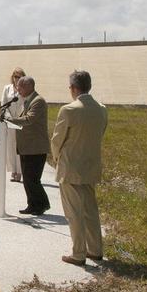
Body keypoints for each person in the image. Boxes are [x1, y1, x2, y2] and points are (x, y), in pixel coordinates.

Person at [50, 70, 109, 266]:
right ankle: (95, 249)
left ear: (74, 88)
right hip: (91, 165)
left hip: (70, 167)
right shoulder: (102, 109)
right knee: (90, 210)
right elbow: (101, 133)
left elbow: (57, 140)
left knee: (74, 212)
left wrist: (57, 159)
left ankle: (78, 253)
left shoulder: (69, 110)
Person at [8, 75, 51, 216]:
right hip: (27, 147)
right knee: (27, 178)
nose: (17, 89)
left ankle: (42, 204)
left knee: (33, 179)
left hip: (36, 147)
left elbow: (29, 119)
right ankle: (32, 205)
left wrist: (11, 120)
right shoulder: (27, 100)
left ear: (28, 87)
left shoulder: (38, 101)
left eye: (19, 87)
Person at [0, 67, 25, 182]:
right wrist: (9, 117)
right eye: (15, 76)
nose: (17, 79)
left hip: (20, 121)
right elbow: (3, 103)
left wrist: (19, 118)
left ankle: (19, 172)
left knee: (19, 147)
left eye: (19, 77)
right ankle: (13, 171)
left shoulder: (25, 90)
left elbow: (26, 105)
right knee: (10, 147)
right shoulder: (7, 88)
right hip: (9, 121)